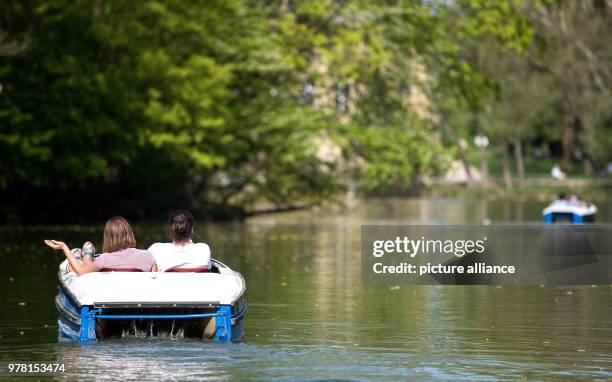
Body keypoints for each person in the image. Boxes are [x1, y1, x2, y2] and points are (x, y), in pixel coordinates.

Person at [44, 216, 157, 275]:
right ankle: (86, 258)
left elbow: (80, 273)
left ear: (108, 238)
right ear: (129, 233)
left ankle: (84, 257)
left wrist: (64, 247)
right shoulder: (147, 256)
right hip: (138, 303)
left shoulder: (105, 259)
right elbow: (155, 281)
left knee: (83, 266)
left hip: (110, 303)